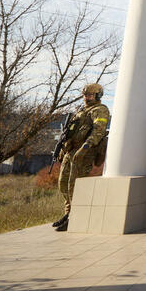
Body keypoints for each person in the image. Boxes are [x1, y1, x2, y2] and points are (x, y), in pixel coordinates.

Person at [54, 82, 110, 232]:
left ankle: (75, 217)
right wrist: (62, 149)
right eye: (85, 95)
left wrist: (85, 147)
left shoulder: (100, 110)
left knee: (75, 187)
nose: (86, 98)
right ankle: (68, 214)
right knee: (63, 184)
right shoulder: (81, 111)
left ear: (98, 95)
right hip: (71, 151)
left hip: (85, 153)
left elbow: (98, 131)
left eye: (90, 95)